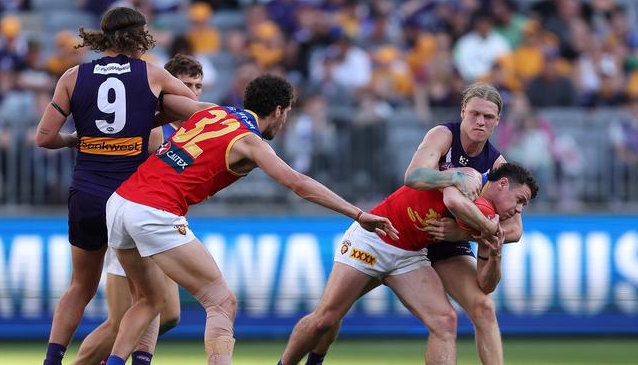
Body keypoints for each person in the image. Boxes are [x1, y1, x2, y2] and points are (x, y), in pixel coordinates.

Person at [101, 74, 398, 365]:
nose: (285, 123)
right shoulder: (250, 142)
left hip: (120, 203)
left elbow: (161, 103)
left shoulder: (212, 111)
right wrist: (358, 214)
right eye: (287, 114)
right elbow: (296, 182)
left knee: (147, 300)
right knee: (220, 301)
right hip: (154, 210)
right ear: (279, 111)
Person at [301, 82, 523, 365]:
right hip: (403, 232)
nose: (480, 121)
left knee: (482, 307)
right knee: (329, 314)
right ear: (463, 111)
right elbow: (414, 175)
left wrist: (463, 231)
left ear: (497, 121)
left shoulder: (496, 165)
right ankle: (314, 359)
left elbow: (516, 228)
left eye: (488, 117)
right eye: (475, 114)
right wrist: (455, 177)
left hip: (445, 241)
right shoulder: (444, 135)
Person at [35, 7, 195, 365]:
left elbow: (43, 138)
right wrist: (145, 121)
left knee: (80, 287)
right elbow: (191, 108)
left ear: (103, 37)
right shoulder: (152, 74)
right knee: (151, 300)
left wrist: (76, 140)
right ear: (142, 37)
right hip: (131, 201)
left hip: (87, 193)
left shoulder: (73, 76)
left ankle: (51, 360)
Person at [278, 163, 539, 365]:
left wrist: (494, 252)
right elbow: (452, 200)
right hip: (374, 239)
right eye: (520, 201)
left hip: (409, 255)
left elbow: (486, 284)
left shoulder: (488, 217)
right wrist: (485, 230)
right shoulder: (469, 177)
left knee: (445, 320)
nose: (518, 210)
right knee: (326, 318)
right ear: (502, 183)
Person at [72, 54, 204, 365]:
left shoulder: (190, 130)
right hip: (136, 226)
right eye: (186, 85)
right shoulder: (154, 127)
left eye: (198, 86)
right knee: (124, 320)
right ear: (168, 87)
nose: (193, 93)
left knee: (167, 313)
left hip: (159, 226)